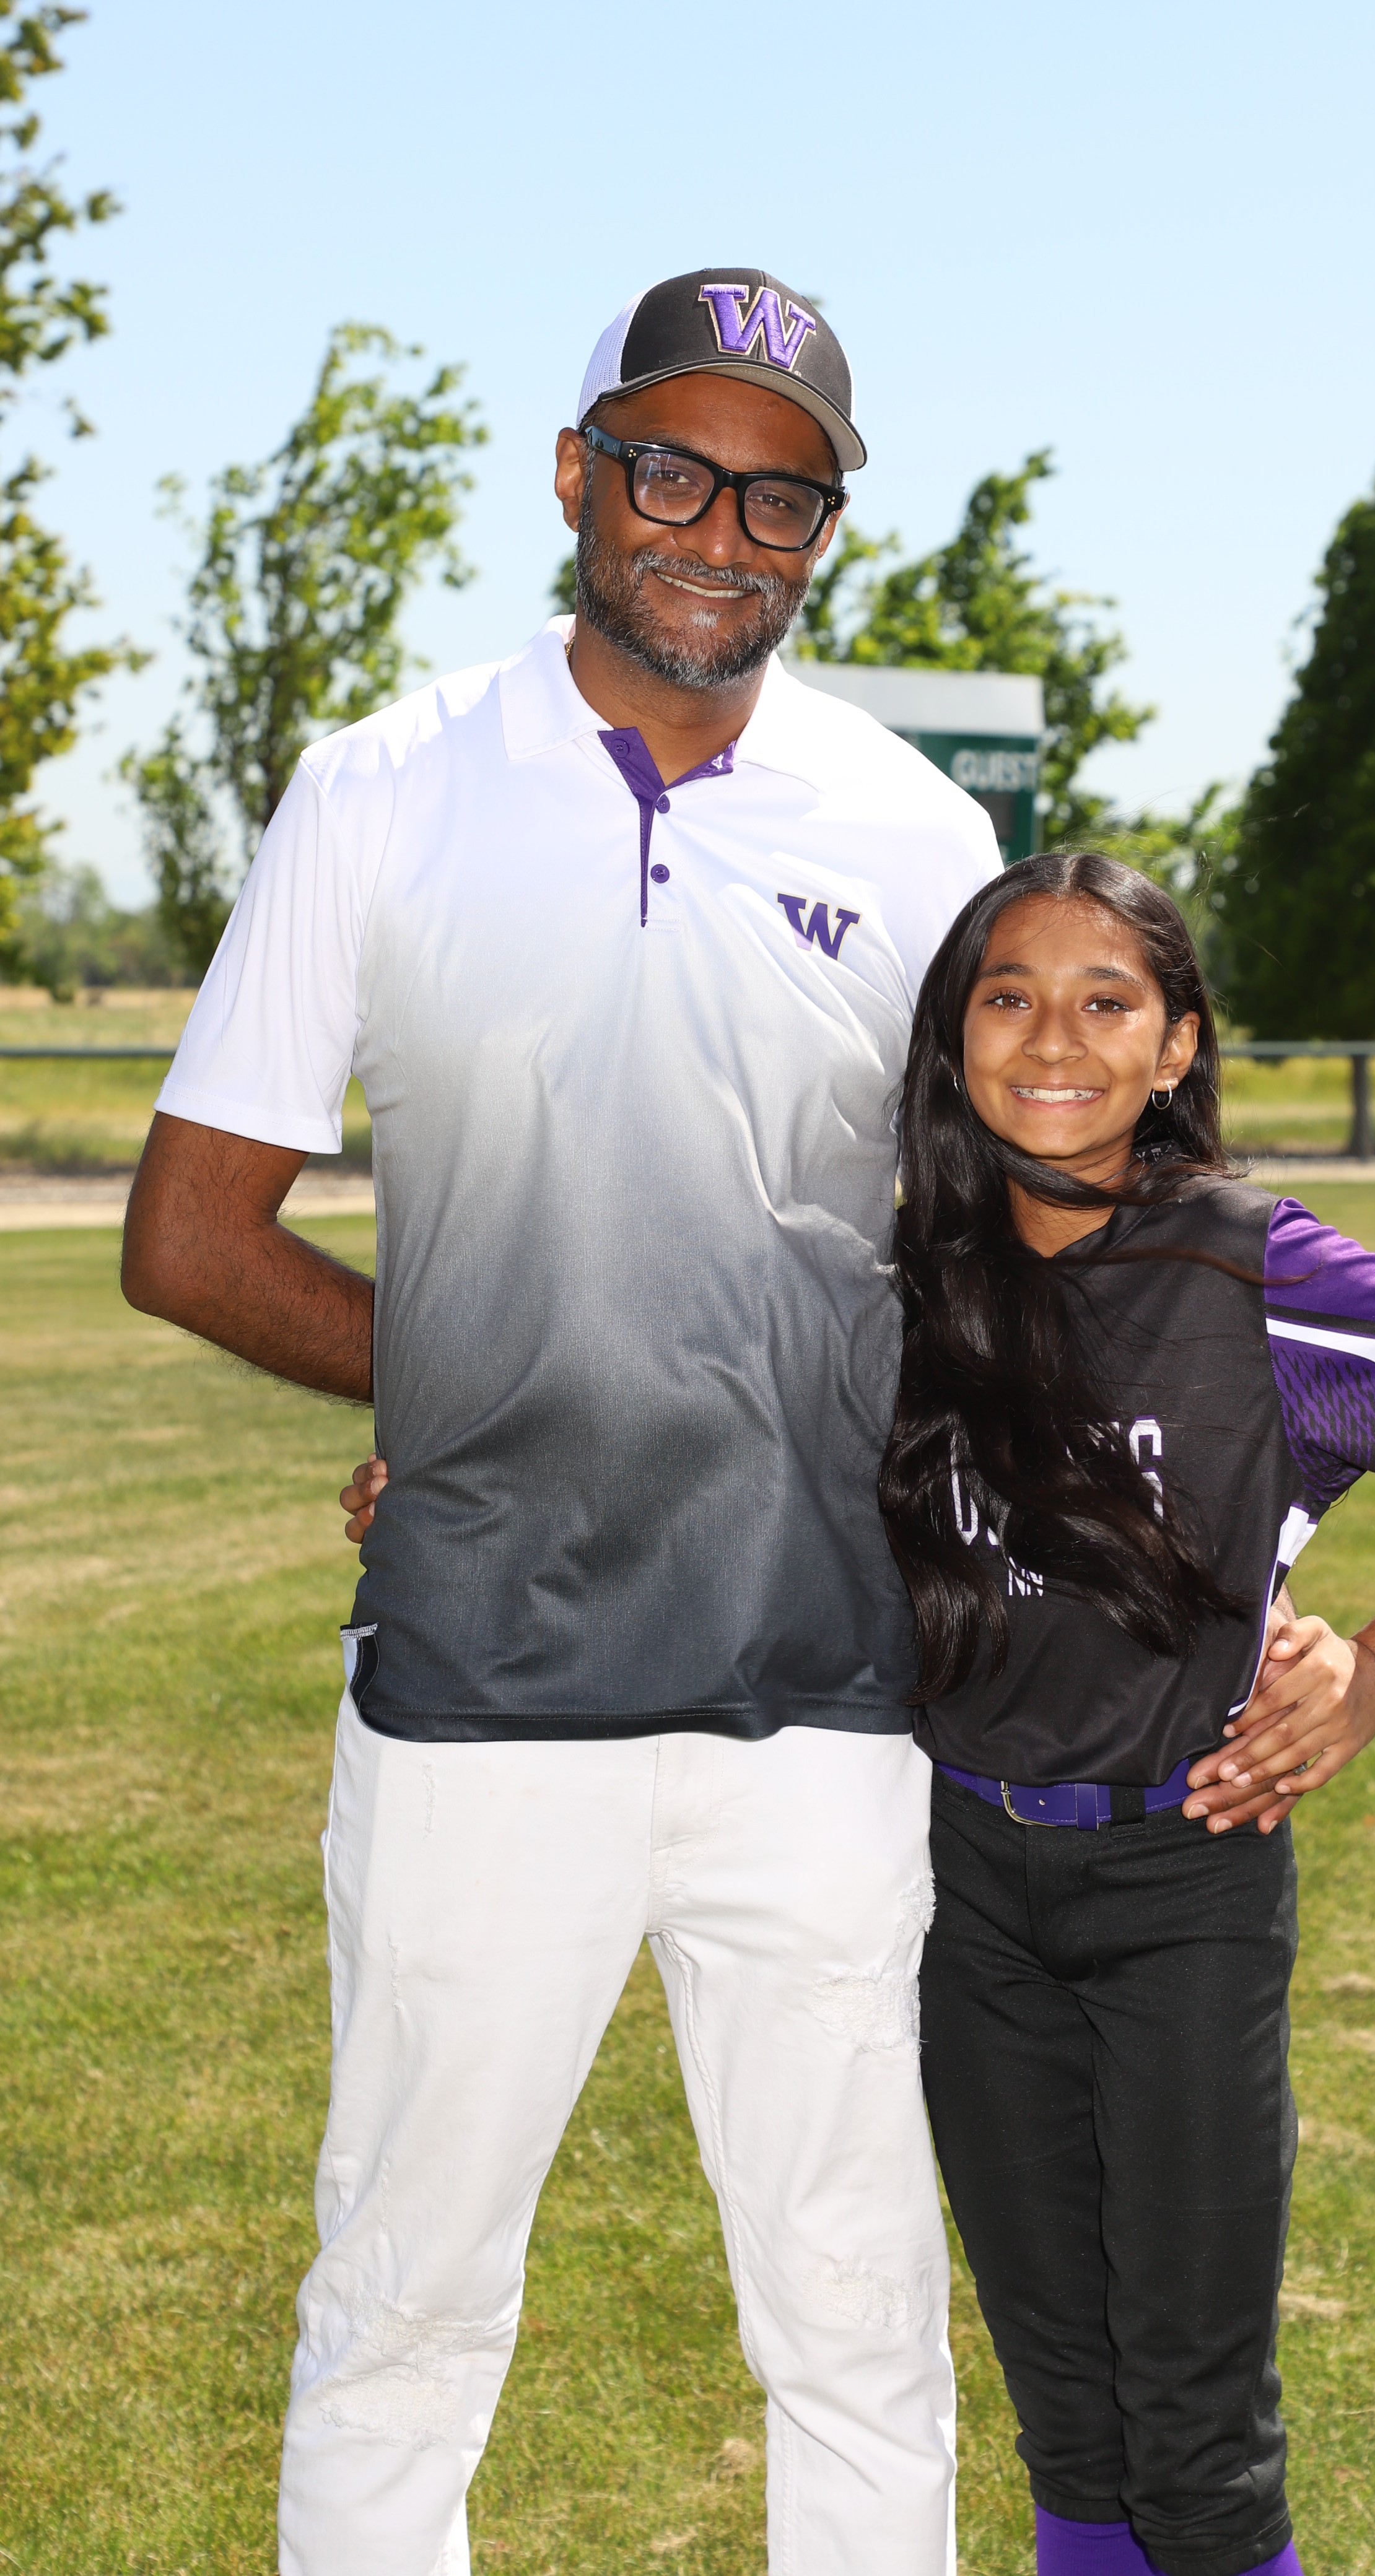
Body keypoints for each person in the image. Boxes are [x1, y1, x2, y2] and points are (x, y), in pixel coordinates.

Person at [121, 267, 1002, 2576]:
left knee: (860, 2321)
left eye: (780, 496)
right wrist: (469, 1389)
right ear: (576, 475)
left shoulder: (918, 837)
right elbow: (192, 1238)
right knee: (403, 2307)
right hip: (478, 1704)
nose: (718, 530)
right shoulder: (384, 788)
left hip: (823, 1708)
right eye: (671, 470)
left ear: (826, 533)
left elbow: (1011, 1271)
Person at [876, 851, 1375, 2576]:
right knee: (1068, 2421)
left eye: (1107, 1003)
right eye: (1009, 997)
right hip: (965, 1889)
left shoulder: (1247, 1262)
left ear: (1176, 1046)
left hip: (1185, 1883)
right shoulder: (911, 1276)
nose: (1051, 1040)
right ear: (955, 1037)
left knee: (1199, 2443)